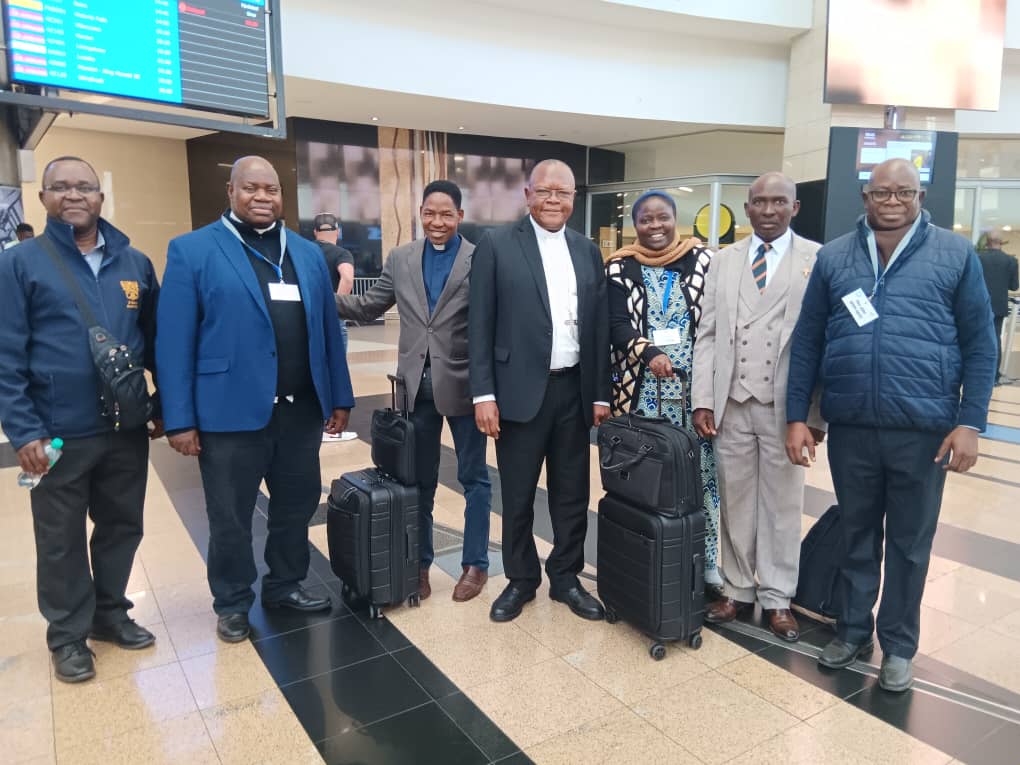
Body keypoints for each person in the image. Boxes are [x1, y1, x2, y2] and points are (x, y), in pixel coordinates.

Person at [786, 158, 997, 692]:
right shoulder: (835, 257)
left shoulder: (953, 253)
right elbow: (808, 342)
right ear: (865, 197)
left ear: (920, 196)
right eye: (882, 193)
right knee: (857, 535)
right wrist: (799, 418)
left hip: (923, 430)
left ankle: (899, 645)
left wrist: (970, 421)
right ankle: (853, 629)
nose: (893, 201)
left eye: (904, 192)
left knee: (909, 543)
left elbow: (979, 342)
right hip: (853, 425)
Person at [156, 156, 355, 644]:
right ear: (230, 191)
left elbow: (329, 332)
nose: (262, 197)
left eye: (271, 189)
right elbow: (173, 341)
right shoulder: (193, 251)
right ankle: (232, 601)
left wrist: (340, 395)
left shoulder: (307, 255)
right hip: (228, 414)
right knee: (230, 515)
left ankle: (285, 585)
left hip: (300, 410)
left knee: (296, 505)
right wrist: (179, 419)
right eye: (251, 188)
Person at [0, 156, 162, 683]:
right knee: (60, 537)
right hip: (56, 434)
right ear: (43, 197)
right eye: (61, 187)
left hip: (125, 430)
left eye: (85, 187)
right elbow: (7, 354)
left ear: (100, 197)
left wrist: (162, 407)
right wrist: (23, 431)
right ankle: (68, 635)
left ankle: (110, 614)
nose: (75, 195)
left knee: (122, 526)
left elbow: (156, 342)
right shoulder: (20, 263)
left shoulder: (134, 263)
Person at [337, 180, 492, 602]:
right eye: (429, 213)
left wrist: (490, 392)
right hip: (413, 390)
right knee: (419, 481)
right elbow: (370, 306)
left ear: (460, 217)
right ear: (420, 213)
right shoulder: (401, 257)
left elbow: (492, 323)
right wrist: (320, 298)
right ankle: (420, 565)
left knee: (474, 478)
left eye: (446, 214)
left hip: (464, 387)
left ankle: (475, 563)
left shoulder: (479, 260)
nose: (437, 222)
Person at [469, 159, 610, 623]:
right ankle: (521, 579)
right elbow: (480, 323)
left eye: (563, 193)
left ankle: (566, 578)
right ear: (527, 194)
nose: (554, 200)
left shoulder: (587, 250)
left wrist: (601, 395)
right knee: (519, 493)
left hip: (574, 389)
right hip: (517, 393)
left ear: (574, 198)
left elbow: (599, 327)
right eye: (545, 191)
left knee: (572, 492)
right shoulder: (496, 244)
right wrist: (483, 393)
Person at [691, 173, 824, 642]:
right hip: (731, 402)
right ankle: (737, 589)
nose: (769, 210)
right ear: (746, 208)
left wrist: (811, 417)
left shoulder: (816, 259)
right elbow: (706, 333)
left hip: (785, 409)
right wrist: (703, 399)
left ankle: (777, 597)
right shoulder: (723, 261)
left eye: (779, 202)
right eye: (760, 202)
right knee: (736, 501)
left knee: (783, 505)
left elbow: (822, 342)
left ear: (795, 207)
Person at [604, 190, 723, 594]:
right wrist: (648, 352)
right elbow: (617, 325)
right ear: (634, 225)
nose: (655, 226)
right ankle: (650, 556)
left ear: (677, 220)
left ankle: (705, 562)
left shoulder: (706, 261)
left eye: (663, 218)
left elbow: (717, 323)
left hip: (694, 395)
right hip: (642, 393)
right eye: (645, 220)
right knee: (646, 475)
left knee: (702, 475)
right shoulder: (619, 267)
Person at [312, 212, 358, 441]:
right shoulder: (342, 253)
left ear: (315, 233)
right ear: (337, 232)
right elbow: (348, 279)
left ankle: (316, 423)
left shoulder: (306, 251)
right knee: (335, 367)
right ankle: (330, 426)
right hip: (332, 319)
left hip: (309, 320)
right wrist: (336, 309)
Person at [977, 230, 1019, 383]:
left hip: (979, 305)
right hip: (999, 307)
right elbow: (1014, 286)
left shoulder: (978, 259)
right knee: (995, 340)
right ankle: (993, 377)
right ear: (1001, 242)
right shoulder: (1011, 261)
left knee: (976, 339)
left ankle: (976, 374)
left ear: (987, 242)